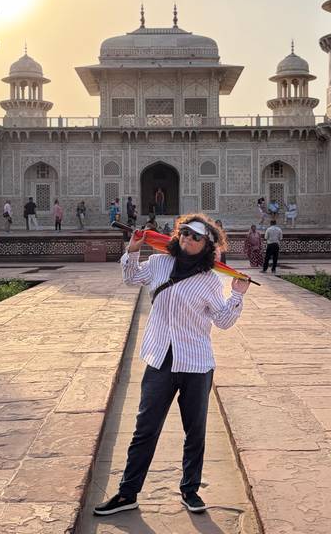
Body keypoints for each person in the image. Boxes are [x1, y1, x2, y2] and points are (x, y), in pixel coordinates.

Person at [93, 213, 250, 517]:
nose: (188, 238)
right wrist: (134, 248)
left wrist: (236, 296)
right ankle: (128, 493)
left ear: (207, 245)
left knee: (195, 432)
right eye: (185, 233)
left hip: (196, 363)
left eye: (195, 236)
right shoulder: (159, 264)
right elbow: (130, 278)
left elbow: (224, 321)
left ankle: (190, 490)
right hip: (160, 359)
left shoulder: (209, 281)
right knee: (145, 429)